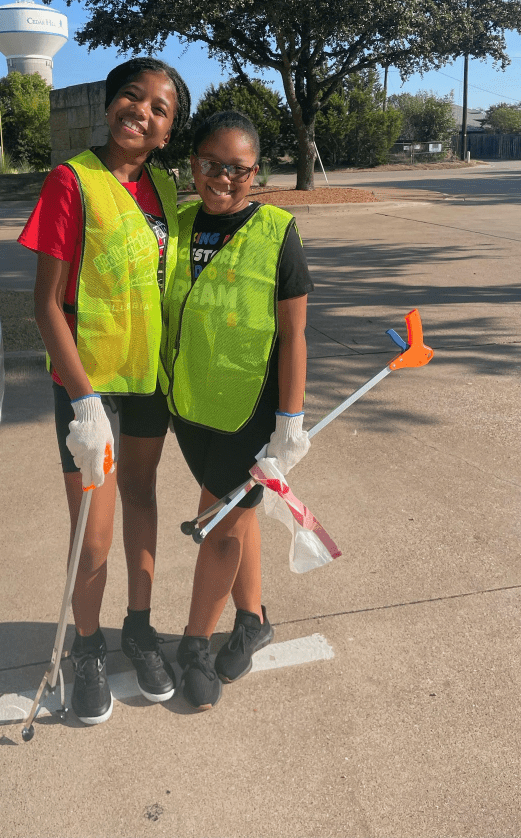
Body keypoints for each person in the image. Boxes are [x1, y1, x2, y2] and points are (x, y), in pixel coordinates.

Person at [18, 57, 190, 724]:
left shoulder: (166, 189)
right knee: (93, 530)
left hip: (148, 382)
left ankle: (139, 628)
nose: (139, 112)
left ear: (167, 131)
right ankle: (86, 648)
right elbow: (45, 305)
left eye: (158, 108)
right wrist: (84, 401)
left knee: (143, 500)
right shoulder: (72, 181)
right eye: (130, 97)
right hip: (89, 388)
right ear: (108, 105)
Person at [160, 110, 314, 709]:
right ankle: (253, 620)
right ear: (193, 164)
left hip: (253, 412)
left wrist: (291, 419)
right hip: (190, 405)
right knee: (240, 513)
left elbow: (295, 334)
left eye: (239, 169)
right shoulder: (178, 222)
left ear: (258, 173)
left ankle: (195, 643)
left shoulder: (278, 232)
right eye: (211, 165)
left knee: (220, 522)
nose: (224, 179)